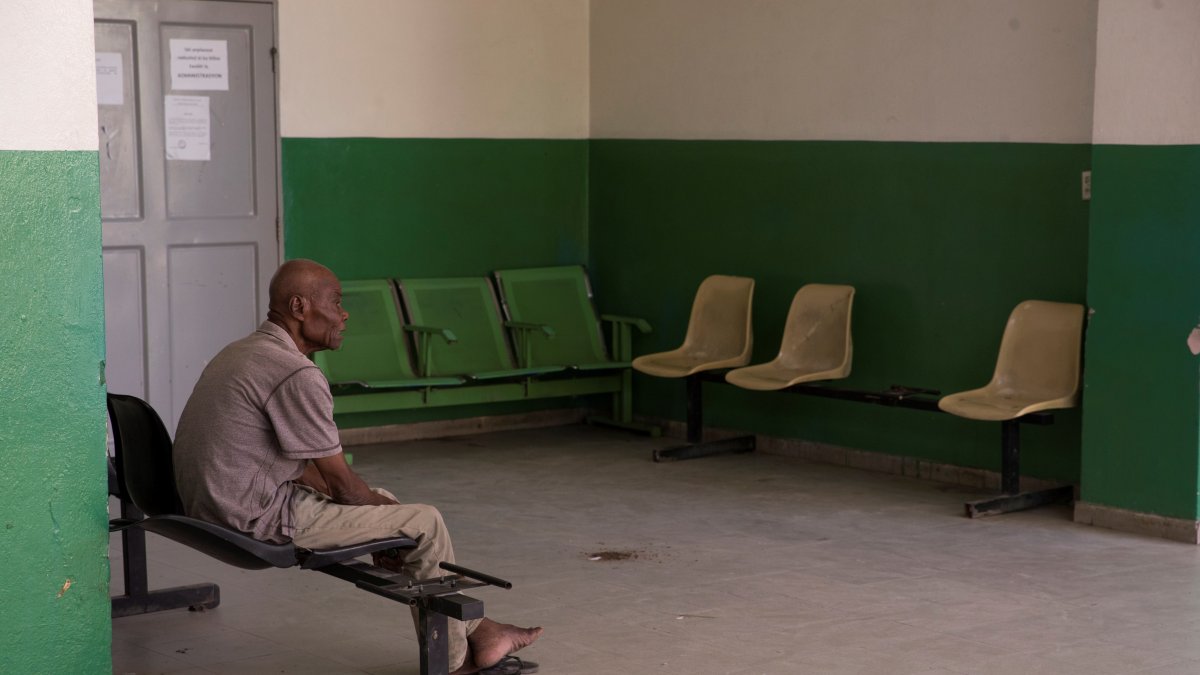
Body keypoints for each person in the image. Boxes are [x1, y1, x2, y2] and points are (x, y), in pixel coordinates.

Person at [173, 259, 542, 675]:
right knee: (425, 521)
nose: (344, 313)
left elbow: (303, 465)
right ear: (299, 307)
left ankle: (481, 629)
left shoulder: (244, 351)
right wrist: (387, 525)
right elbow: (342, 485)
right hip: (251, 517)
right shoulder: (294, 373)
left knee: (389, 506)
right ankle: (456, 664)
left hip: (213, 506)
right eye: (335, 301)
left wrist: (381, 519)